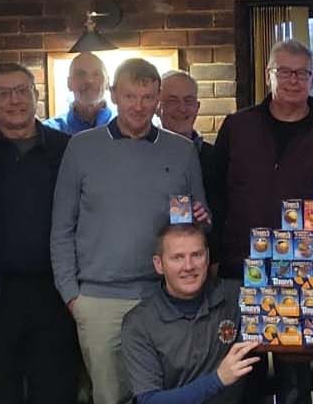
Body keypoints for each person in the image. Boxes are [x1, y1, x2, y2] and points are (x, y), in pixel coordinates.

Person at [52, 58, 209, 404]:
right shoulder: (81, 148)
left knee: (166, 395)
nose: (139, 106)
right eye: (129, 96)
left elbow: (197, 223)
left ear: (158, 99)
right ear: (114, 95)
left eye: (148, 97)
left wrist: (202, 217)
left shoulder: (181, 151)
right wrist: (72, 296)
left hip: (165, 297)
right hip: (99, 301)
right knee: (110, 397)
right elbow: (61, 227)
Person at [206, 39, 313, 404]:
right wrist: (213, 256)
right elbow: (214, 196)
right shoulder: (237, 127)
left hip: (302, 273)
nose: (293, 80)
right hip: (239, 267)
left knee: (295, 378)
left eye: (302, 73)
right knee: (242, 373)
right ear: (268, 75)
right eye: (284, 72)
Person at [0, 63, 81, 404]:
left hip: (56, 294)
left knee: (56, 391)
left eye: (21, 91)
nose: (14, 100)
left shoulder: (69, 149)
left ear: (36, 95)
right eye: (3, 93)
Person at [122, 223, 258, 404]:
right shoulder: (139, 323)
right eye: (177, 257)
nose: (188, 266)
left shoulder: (237, 296)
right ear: (159, 264)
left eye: (196, 255)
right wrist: (218, 379)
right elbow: (149, 400)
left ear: (207, 257)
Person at [46, 52, 116, 135]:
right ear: (69, 83)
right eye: (80, 74)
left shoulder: (123, 127)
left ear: (107, 82)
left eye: (96, 74)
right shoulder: (49, 131)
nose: (89, 80)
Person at [158, 70, 214, 161]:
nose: (182, 109)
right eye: (173, 101)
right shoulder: (142, 154)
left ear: (197, 107)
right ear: (157, 107)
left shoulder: (216, 157)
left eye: (188, 101)